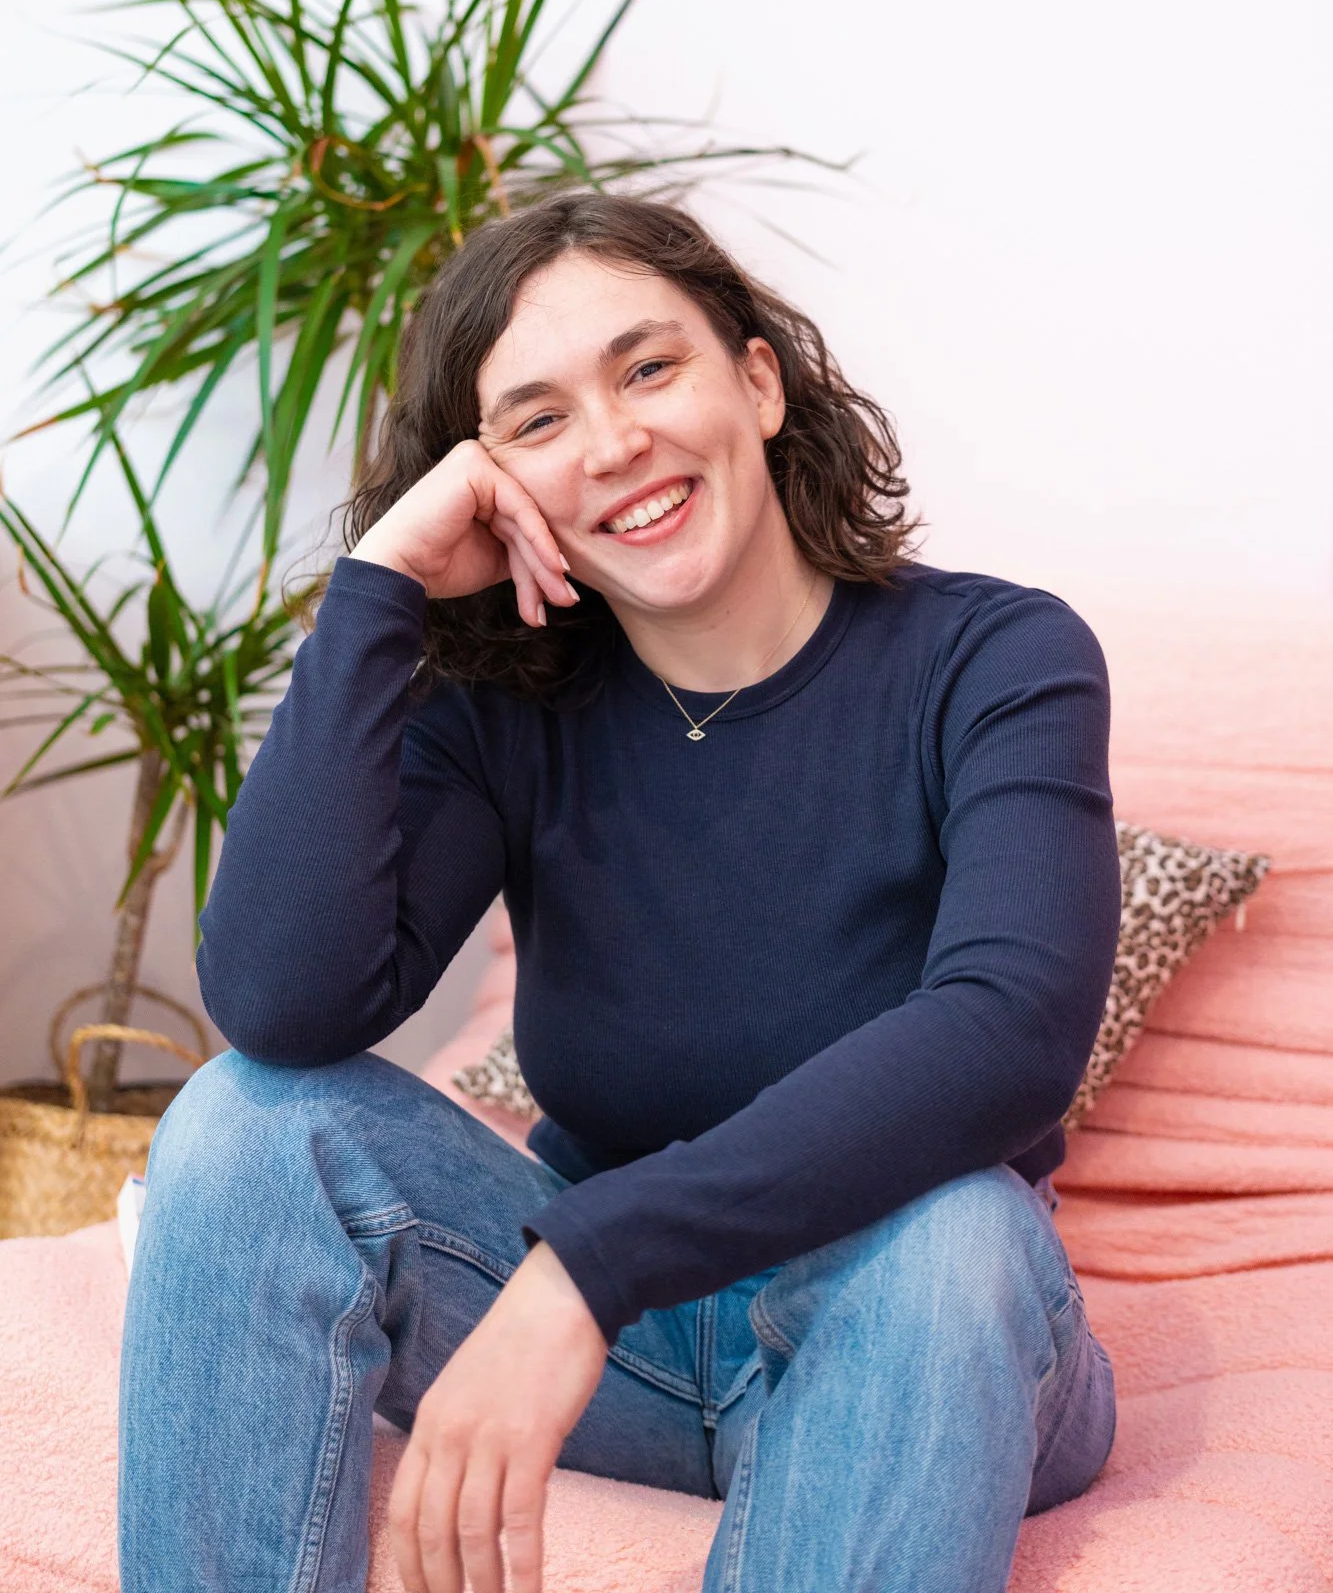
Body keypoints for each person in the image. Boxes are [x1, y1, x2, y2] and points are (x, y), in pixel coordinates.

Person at [118, 193, 1121, 1593]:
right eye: (535, 420)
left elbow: (1010, 1035)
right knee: (240, 1125)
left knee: (961, 1230)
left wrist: (584, 1268)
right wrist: (379, 590)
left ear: (757, 382)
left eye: (649, 369)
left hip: (904, 1319)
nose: (613, 442)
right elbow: (287, 1004)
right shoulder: (511, 706)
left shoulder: (998, 659)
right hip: (640, 1354)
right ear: (493, 482)